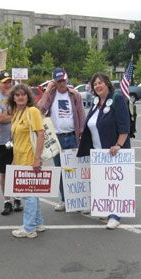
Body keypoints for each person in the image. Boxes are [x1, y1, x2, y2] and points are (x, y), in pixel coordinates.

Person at [76, 73, 131, 230]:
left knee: (113, 184)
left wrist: (119, 145)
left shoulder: (117, 99)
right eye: (94, 84)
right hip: (98, 152)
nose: (97, 86)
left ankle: (115, 216)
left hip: (113, 151)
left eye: (100, 83)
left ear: (107, 84)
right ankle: (106, 209)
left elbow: (124, 125)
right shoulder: (96, 103)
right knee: (101, 183)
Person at [38, 67, 85, 211]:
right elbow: (40, 109)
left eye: (63, 80)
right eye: (58, 81)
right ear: (54, 81)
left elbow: (81, 115)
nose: (61, 83)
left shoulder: (74, 95)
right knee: (59, 170)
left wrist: (82, 133)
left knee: (74, 170)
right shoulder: (51, 95)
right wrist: (47, 90)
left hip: (72, 136)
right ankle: (64, 200)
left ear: (67, 78)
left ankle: (77, 200)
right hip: (57, 138)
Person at [8, 84, 46, 238]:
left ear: (28, 96)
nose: (20, 97)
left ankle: (29, 228)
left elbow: (41, 135)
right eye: (17, 95)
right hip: (20, 158)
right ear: (13, 98)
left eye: (23, 94)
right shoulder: (17, 113)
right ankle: (37, 223)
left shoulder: (33, 111)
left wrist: (37, 159)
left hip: (30, 159)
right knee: (33, 193)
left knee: (28, 193)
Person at [0, 71, 22, 216]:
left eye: (9, 81)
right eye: (4, 82)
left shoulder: (15, 96)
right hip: (1, 140)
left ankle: (17, 198)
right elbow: (0, 118)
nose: (7, 84)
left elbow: (22, 112)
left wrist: (10, 116)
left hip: (18, 139)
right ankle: (7, 201)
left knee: (17, 169)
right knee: (4, 172)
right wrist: (15, 116)